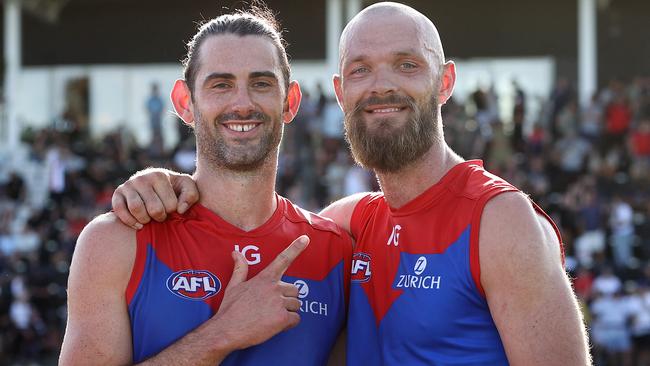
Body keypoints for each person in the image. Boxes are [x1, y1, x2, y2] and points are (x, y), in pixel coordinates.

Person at [111, 2, 590, 365]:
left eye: (407, 65)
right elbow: (250, 214)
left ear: (444, 83)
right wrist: (163, 184)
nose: (381, 85)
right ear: (341, 93)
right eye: (360, 70)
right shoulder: (348, 226)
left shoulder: (501, 221)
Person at [60, 8, 351, 366]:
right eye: (221, 84)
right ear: (185, 103)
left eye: (261, 83)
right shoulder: (118, 240)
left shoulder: (335, 251)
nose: (242, 103)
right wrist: (223, 333)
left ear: (290, 102)